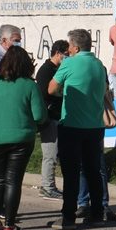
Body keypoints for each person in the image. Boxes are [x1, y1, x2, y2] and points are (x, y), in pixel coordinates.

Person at [0, 45, 47, 230]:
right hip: (21, 139)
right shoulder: (29, 85)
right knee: (13, 181)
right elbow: (40, 115)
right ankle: (9, 224)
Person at [48, 29, 109, 229]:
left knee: (71, 173)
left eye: (69, 46)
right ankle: (98, 213)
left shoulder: (69, 63)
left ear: (75, 47)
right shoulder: (99, 65)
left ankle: (68, 217)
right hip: (95, 126)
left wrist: (62, 93)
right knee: (93, 171)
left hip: (72, 125)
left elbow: (51, 88)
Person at [34, 40, 68, 200]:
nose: (68, 58)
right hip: (49, 117)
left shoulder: (59, 69)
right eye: (66, 55)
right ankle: (47, 187)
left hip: (58, 116)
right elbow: (43, 95)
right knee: (50, 154)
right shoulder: (46, 71)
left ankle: (50, 186)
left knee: (57, 153)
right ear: (58, 53)